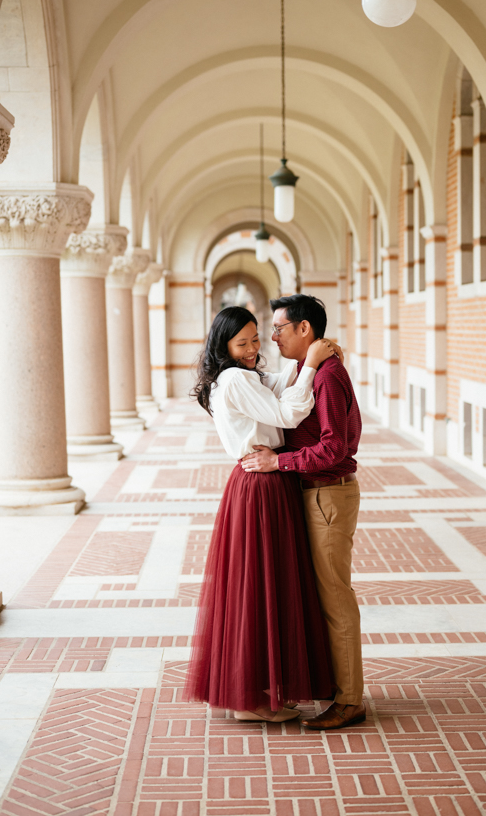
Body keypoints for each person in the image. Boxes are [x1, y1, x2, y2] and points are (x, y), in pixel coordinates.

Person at [183, 306, 336, 723]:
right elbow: (288, 413)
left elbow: (279, 384)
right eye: (242, 343)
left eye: (256, 339)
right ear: (224, 346)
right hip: (261, 483)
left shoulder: (243, 375)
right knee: (261, 589)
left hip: (263, 481)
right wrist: (313, 367)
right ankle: (251, 700)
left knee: (261, 587)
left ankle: (256, 690)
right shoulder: (234, 378)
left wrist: (310, 357)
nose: (252, 349)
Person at [242, 294, 365, 730]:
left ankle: (350, 700)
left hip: (327, 495)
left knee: (334, 597)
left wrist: (280, 462)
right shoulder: (304, 369)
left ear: (304, 330)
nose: (272, 335)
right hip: (310, 494)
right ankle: (336, 687)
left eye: (278, 328)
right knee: (318, 595)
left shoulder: (328, 376)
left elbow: (335, 447)